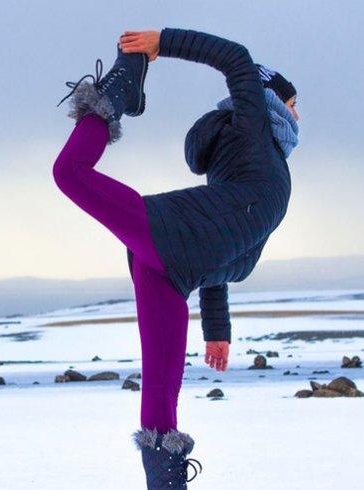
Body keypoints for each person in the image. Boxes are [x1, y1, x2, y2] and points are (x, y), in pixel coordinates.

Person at [52, 27, 299, 489]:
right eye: (292, 101)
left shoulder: (249, 157)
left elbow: (221, 234)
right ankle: (122, 88)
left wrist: (217, 329)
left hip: (176, 268)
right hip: (170, 234)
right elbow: (237, 58)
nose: (297, 112)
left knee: (161, 399)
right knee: (69, 172)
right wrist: (161, 43)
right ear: (269, 99)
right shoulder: (253, 125)